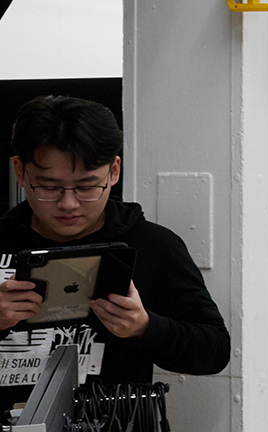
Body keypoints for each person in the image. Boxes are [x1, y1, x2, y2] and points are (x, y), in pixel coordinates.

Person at [0, 96, 228, 384]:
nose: (68, 204)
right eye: (49, 187)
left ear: (114, 171)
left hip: (114, 413)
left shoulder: (154, 244)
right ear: (20, 171)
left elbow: (215, 349)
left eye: (87, 187)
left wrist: (145, 327)